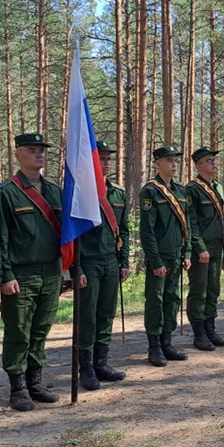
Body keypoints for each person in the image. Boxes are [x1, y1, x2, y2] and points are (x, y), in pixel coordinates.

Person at [0, 133, 64, 411]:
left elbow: (67, 235)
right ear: (18, 155)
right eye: (32, 150)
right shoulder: (6, 192)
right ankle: (17, 387)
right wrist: (4, 275)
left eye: (42, 150)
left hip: (51, 271)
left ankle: (35, 382)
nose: (40, 155)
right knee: (19, 331)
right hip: (20, 273)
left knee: (41, 329)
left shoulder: (55, 190)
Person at [73, 141, 130, 390]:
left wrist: (124, 261)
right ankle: (85, 368)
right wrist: (76, 268)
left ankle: (101, 363)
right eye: (101, 158)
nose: (106, 163)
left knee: (106, 313)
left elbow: (124, 230)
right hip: (89, 261)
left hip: (111, 261)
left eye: (108, 159)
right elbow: (72, 234)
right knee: (88, 316)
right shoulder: (80, 193)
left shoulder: (117, 193)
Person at [138, 145, 198, 367]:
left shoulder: (181, 191)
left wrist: (187, 252)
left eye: (176, 160)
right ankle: (154, 347)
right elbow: (148, 230)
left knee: (172, 298)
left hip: (177, 254)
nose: (174, 164)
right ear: (157, 164)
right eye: (169, 160)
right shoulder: (150, 191)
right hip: (160, 257)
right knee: (156, 299)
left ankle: (167, 342)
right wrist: (155, 260)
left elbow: (188, 226)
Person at [186, 146, 224, 351]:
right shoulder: (192, 189)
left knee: (213, 290)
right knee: (199, 291)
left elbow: (222, 218)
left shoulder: (217, 188)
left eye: (214, 161)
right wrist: (199, 248)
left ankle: (210, 330)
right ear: (199, 166)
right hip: (203, 250)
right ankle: (199, 335)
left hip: (217, 247)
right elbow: (192, 223)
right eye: (209, 161)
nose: (214, 164)